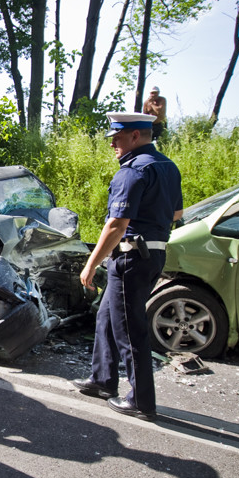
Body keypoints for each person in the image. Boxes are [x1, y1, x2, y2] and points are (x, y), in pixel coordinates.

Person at [71, 112, 182, 421]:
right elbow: (177, 213)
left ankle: (141, 400)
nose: (112, 145)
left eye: (116, 139)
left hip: (131, 257)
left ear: (135, 137)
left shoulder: (131, 171)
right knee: (107, 316)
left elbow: (116, 225)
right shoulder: (168, 167)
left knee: (130, 330)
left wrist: (91, 264)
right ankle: (102, 380)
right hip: (152, 254)